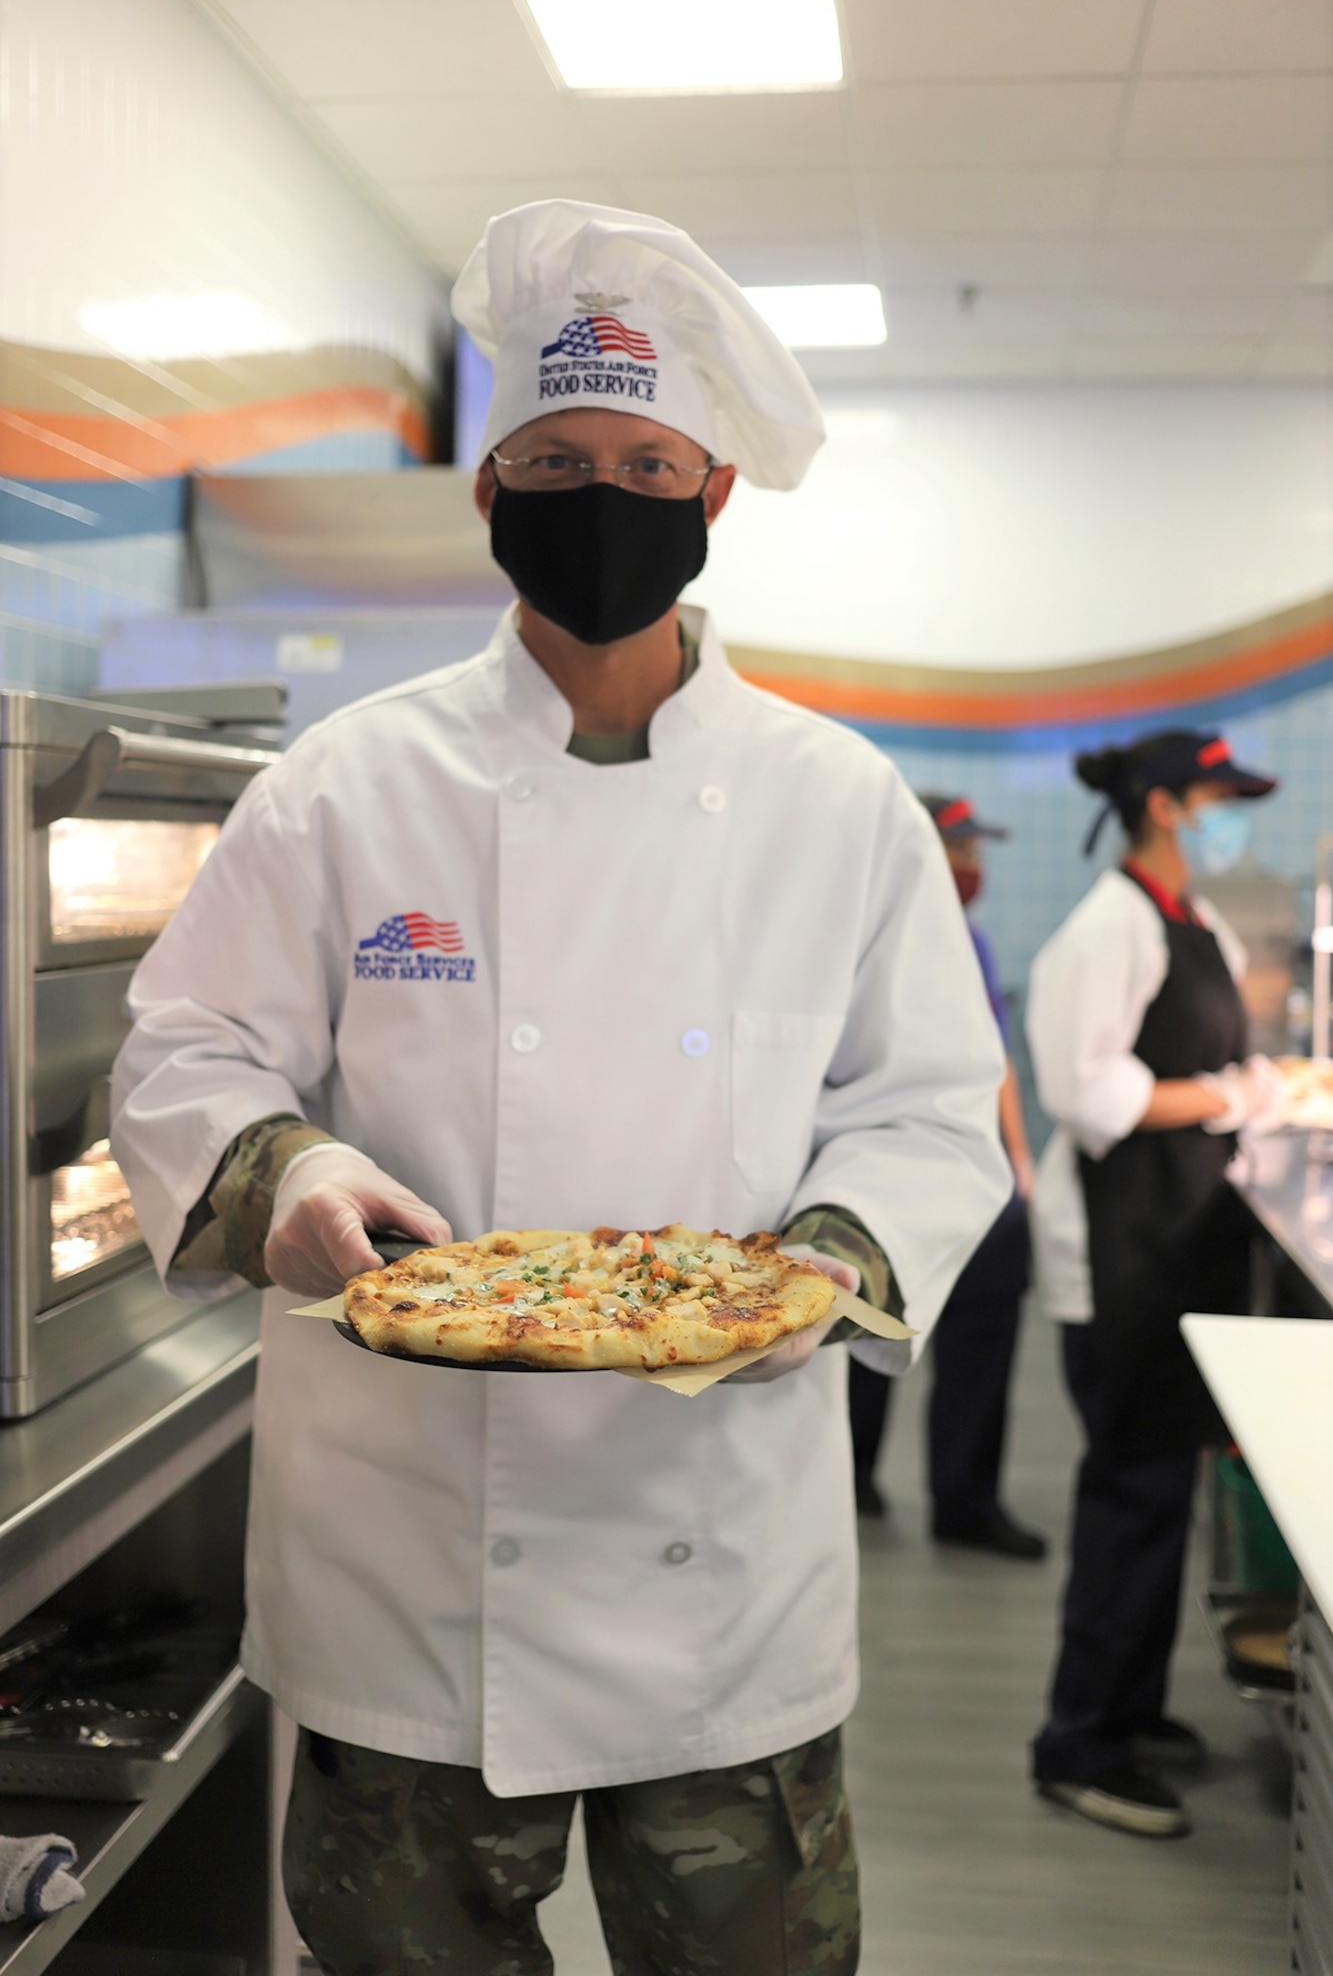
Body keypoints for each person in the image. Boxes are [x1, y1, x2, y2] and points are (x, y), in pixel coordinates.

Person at [111, 200, 1010, 1975]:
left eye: (641, 459)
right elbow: (186, 1046)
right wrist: (284, 1174)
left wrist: (824, 1255)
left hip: (718, 1540)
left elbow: (923, 1101)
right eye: (554, 457)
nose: (598, 494)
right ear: (490, 492)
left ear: (711, 496)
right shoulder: (345, 786)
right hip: (415, 1544)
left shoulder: (836, 802)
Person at [1027, 730, 1284, 1839]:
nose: (1236, 816)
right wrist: (1232, 1095)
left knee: (1158, 1492)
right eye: (1223, 797)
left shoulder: (1194, 921)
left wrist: (1245, 1086)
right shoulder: (1108, 925)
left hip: (1180, 1246)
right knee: (1126, 1494)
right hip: (1121, 1254)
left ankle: (1128, 1708)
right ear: (1169, 806)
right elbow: (1088, 1092)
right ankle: (1078, 1739)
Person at [848, 794, 1047, 1561]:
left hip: (975, 1172)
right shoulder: (871, 935)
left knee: (978, 1341)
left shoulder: (974, 942)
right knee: (870, 1318)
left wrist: (1015, 1158)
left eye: (976, 851)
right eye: (959, 849)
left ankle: (963, 1499)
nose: (973, 867)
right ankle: (854, 1474)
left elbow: (989, 1059)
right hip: (884, 1170)